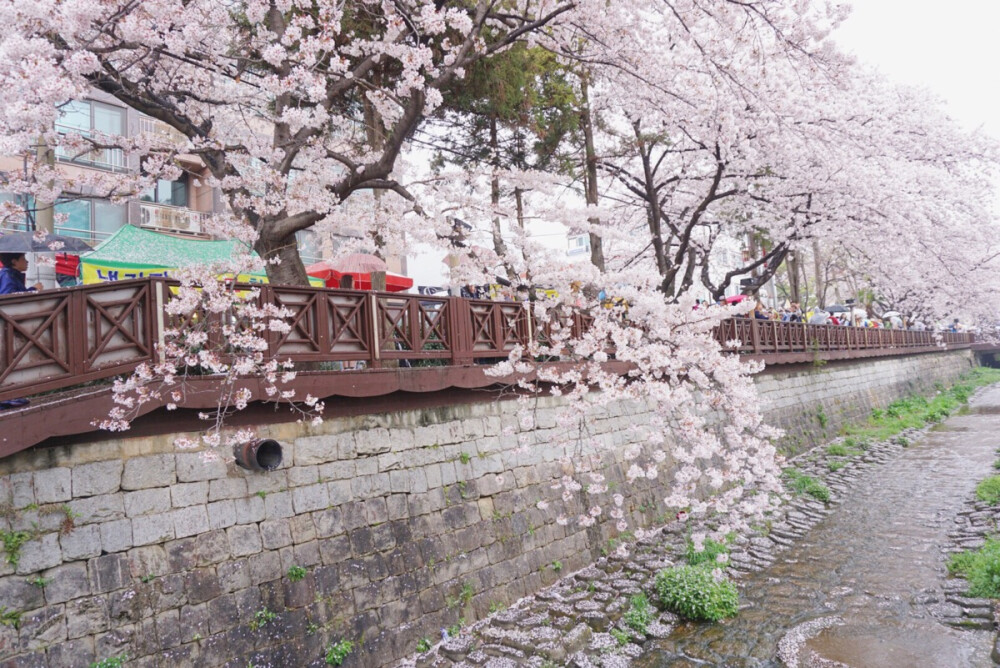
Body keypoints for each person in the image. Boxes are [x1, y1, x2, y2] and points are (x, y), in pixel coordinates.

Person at [0, 252, 40, 409]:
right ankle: (6, 397)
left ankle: (9, 395)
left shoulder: (11, 274)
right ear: (14, 261)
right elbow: (8, 298)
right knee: (8, 359)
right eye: (23, 258)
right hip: (6, 327)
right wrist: (33, 290)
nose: (27, 261)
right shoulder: (7, 275)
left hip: (10, 327)